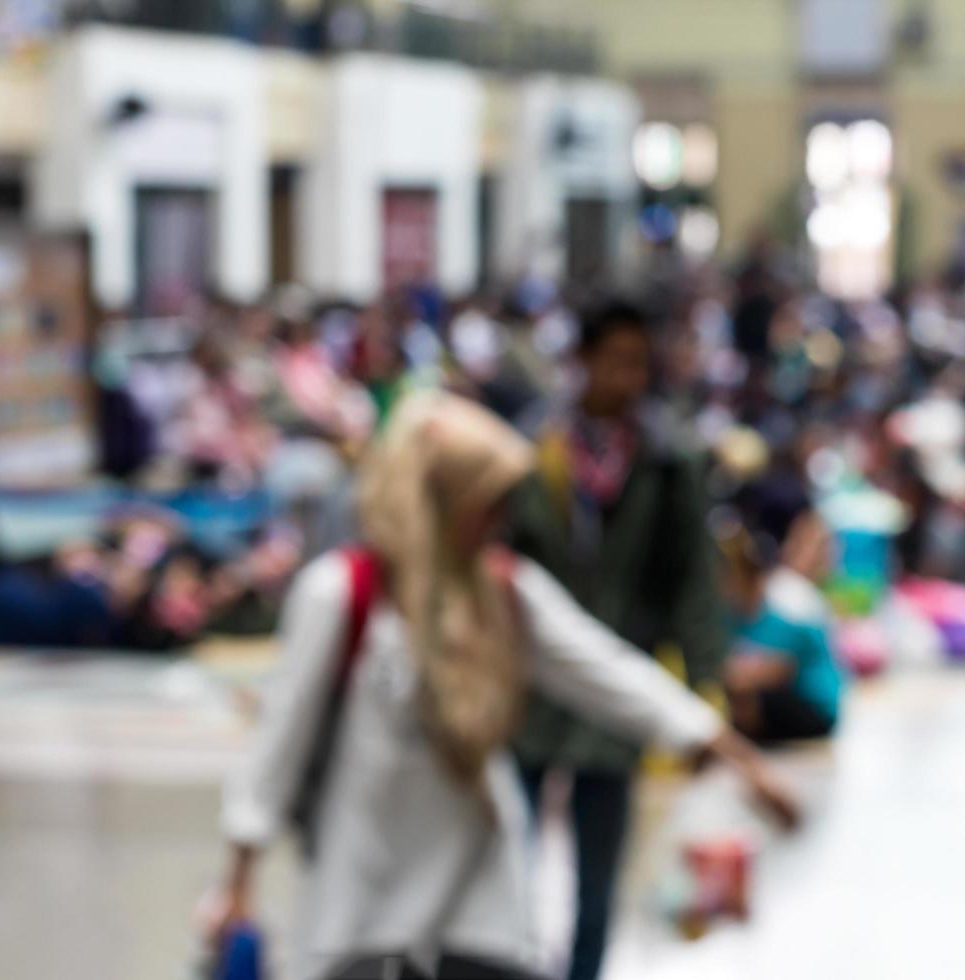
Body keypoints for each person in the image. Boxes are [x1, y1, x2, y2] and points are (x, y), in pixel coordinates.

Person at [208, 393, 796, 980]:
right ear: (438, 499)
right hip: (364, 907)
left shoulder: (505, 592)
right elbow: (275, 750)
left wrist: (732, 754)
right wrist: (237, 885)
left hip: (481, 909)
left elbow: (608, 672)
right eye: (484, 503)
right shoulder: (342, 595)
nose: (499, 522)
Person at [508, 300, 727, 980]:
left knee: (598, 871)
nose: (628, 378)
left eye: (639, 363)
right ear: (581, 362)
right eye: (614, 361)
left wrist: (703, 684)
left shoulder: (669, 458)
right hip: (531, 682)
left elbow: (695, 575)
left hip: (618, 684)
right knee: (508, 854)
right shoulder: (530, 449)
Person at [718, 521, 844, 743]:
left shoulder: (788, 603)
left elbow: (778, 669)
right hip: (776, 699)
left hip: (812, 705)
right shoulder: (731, 615)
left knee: (743, 699)